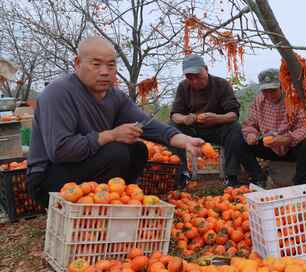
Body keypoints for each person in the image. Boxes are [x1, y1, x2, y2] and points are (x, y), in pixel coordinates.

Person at [26, 36, 205, 208]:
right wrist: (110, 135)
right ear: (78, 63)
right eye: (96, 64)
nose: (105, 72)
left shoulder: (115, 97)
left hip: (84, 170)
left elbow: (147, 124)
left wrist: (185, 140)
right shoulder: (58, 93)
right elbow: (60, 151)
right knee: (116, 151)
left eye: (111, 65)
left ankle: (115, 204)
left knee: (137, 149)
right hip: (47, 179)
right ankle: (90, 210)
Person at [169, 54, 242, 188]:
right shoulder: (183, 87)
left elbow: (233, 115)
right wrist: (185, 119)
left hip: (218, 130)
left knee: (235, 128)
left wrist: (217, 118)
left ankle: (231, 175)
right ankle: (181, 174)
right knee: (172, 128)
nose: (195, 81)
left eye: (198, 76)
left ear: (206, 69)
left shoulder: (221, 85)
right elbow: (174, 115)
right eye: (190, 77)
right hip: (193, 130)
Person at [238, 68, 306, 187]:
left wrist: (286, 139)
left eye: (273, 90)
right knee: (238, 141)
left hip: (291, 147)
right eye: (265, 91)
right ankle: (258, 177)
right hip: (269, 147)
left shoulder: (294, 100)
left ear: (282, 86)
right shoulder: (259, 100)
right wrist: (251, 134)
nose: (269, 94)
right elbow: (250, 123)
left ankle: (300, 181)